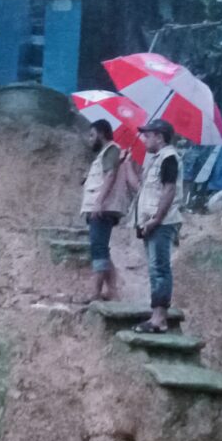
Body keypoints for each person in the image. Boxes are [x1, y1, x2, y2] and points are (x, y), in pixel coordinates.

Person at [133, 120, 183, 333]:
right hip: (151, 221)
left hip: (162, 222)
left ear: (160, 137)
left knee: (160, 268)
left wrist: (156, 219)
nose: (145, 139)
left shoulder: (169, 157)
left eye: (148, 135)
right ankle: (156, 315)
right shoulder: (155, 159)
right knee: (155, 268)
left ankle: (160, 319)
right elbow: (143, 190)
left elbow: (169, 190)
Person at [80, 119, 137, 303]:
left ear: (102, 134)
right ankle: (112, 291)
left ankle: (95, 293)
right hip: (102, 207)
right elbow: (106, 174)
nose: (89, 139)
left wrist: (98, 202)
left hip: (103, 208)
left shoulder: (111, 150)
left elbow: (110, 175)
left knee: (98, 249)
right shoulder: (108, 153)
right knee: (102, 248)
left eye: (92, 135)